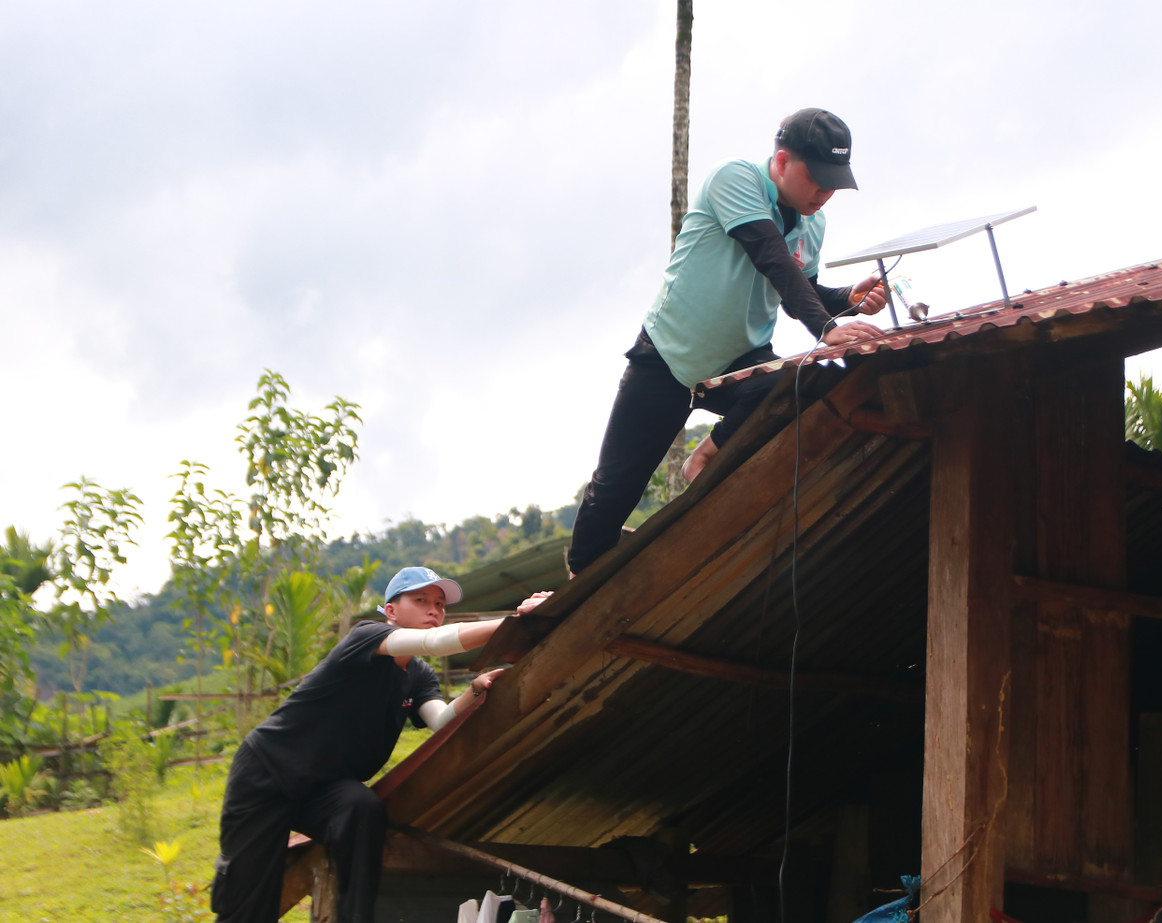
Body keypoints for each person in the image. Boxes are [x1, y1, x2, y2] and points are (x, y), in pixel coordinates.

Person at [565, 107, 889, 576]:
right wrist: (826, 329)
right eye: (817, 179)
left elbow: (805, 286)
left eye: (835, 183)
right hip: (670, 358)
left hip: (739, 360)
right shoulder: (734, 179)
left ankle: (708, 455)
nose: (826, 193)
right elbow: (771, 258)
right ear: (781, 162)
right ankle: (576, 581)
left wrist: (848, 300)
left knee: (791, 387)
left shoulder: (812, 223)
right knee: (614, 490)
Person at [211, 566, 513, 923]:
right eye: (421, 600)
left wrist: (475, 690)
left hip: (324, 788)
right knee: (250, 902)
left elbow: (442, 722)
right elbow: (436, 642)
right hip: (269, 773)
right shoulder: (367, 636)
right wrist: (515, 621)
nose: (434, 610)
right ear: (390, 611)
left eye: (440, 604)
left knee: (360, 807)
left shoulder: (418, 675)